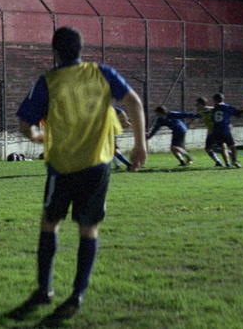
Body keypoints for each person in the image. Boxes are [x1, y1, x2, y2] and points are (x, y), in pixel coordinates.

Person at [13, 26, 147, 321]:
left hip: (61, 168)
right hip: (97, 166)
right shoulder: (102, 72)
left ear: (55, 52)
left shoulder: (48, 81)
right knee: (89, 229)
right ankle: (77, 294)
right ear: (80, 49)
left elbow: (26, 123)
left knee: (50, 223)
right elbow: (134, 102)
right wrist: (140, 145)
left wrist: (37, 136)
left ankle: (44, 290)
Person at [211, 93, 243, 168]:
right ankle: (234, 160)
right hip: (225, 130)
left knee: (223, 147)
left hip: (216, 130)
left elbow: (212, 119)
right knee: (233, 146)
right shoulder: (227, 107)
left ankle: (227, 163)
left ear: (215, 100)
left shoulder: (214, 109)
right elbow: (238, 114)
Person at [195, 97, 225, 166]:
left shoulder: (208, 110)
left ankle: (225, 156)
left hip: (214, 131)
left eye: (197, 104)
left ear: (201, 104)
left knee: (210, 148)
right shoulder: (208, 110)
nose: (196, 105)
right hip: (212, 131)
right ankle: (219, 161)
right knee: (211, 148)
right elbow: (196, 117)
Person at [112, 106, 133, 170]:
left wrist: (126, 121)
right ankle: (118, 164)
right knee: (111, 150)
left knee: (114, 150)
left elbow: (121, 112)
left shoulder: (106, 107)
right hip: (114, 130)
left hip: (111, 131)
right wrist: (126, 121)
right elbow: (121, 112)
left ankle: (129, 165)